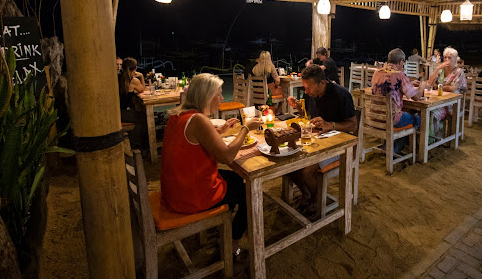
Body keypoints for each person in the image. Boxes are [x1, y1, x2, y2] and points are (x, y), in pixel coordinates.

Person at [161, 73, 263, 258]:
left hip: (174, 190)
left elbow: (196, 141)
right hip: (191, 196)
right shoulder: (198, 120)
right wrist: (246, 128)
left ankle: (223, 224)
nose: (222, 98)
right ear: (206, 96)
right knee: (252, 194)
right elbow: (227, 156)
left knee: (237, 179)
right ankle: (232, 243)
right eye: (219, 93)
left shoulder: (178, 116)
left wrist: (221, 131)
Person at [286, 65, 357, 215]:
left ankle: (317, 199)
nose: (306, 91)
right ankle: (307, 193)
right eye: (304, 87)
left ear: (322, 83)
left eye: (309, 88)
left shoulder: (341, 95)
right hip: (317, 141)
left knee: (306, 171)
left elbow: (353, 125)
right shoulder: (311, 94)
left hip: (339, 146)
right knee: (288, 164)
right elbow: (309, 114)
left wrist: (330, 125)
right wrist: (298, 107)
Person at [371, 48, 425, 154]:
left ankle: (388, 145)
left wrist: (409, 83)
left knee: (406, 112)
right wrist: (422, 86)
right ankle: (397, 149)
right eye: (403, 62)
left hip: (374, 116)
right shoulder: (399, 75)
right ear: (400, 61)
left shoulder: (377, 72)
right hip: (391, 119)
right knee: (418, 118)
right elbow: (416, 97)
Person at [427, 47, 467, 138]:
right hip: (437, 101)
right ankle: (431, 136)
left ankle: (433, 138)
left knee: (432, 114)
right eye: (445, 57)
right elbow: (429, 83)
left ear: (455, 59)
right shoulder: (441, 70)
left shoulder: (458, 72)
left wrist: (437, 87)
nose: (446, 60)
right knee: (424, 112)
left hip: (452, 104)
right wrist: (437, 69)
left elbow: (452, 88)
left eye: (449, 58)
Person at [118, 57, 148, 149]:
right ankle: (138, 145)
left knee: (140, 115)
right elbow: (142, 90)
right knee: (143, 117)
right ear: (135, 69)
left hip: (118, 110)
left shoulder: (120, 76)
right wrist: (142, 76)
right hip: (121, 113)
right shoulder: (133, 80)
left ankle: (137, 143)